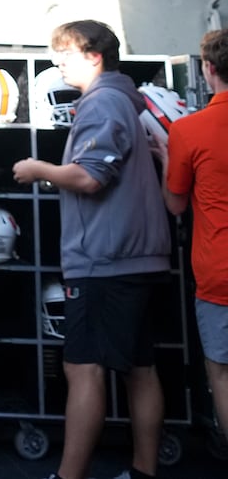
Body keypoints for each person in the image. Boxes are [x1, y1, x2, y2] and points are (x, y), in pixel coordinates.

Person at [11, 20, 169, 479]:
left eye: (64, 53)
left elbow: (90, 177)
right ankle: (143, 472)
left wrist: (37, 168)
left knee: (83, 369)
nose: (57, 62)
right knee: (140, 367)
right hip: (133, 256)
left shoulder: (101, 103)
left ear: (93, 55)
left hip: (106, 260)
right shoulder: (122, 101)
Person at [159, 29, 228, 442]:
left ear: (207, 69)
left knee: (222, 374)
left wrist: (166, 155)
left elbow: (176, 204)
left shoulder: (188, 130)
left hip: (219, 274)